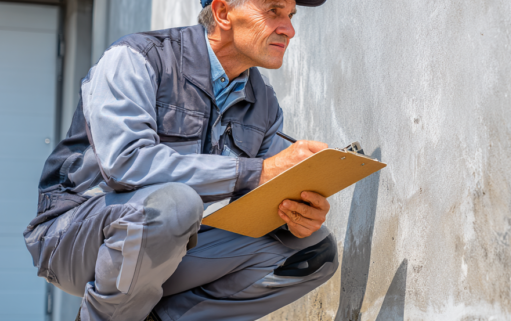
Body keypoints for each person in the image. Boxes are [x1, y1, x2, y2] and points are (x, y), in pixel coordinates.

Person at [22, 0, 338, 320]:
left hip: (174, 241)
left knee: (311, 249)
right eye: (273, 11)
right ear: (223, 13)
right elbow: (126, 162)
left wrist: (294, 214)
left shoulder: (264, 104)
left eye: (290, 15)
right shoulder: (137, 58)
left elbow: (262, 192)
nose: (289, 29)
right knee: (175, 203)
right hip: (72, 239)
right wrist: (255, 172)